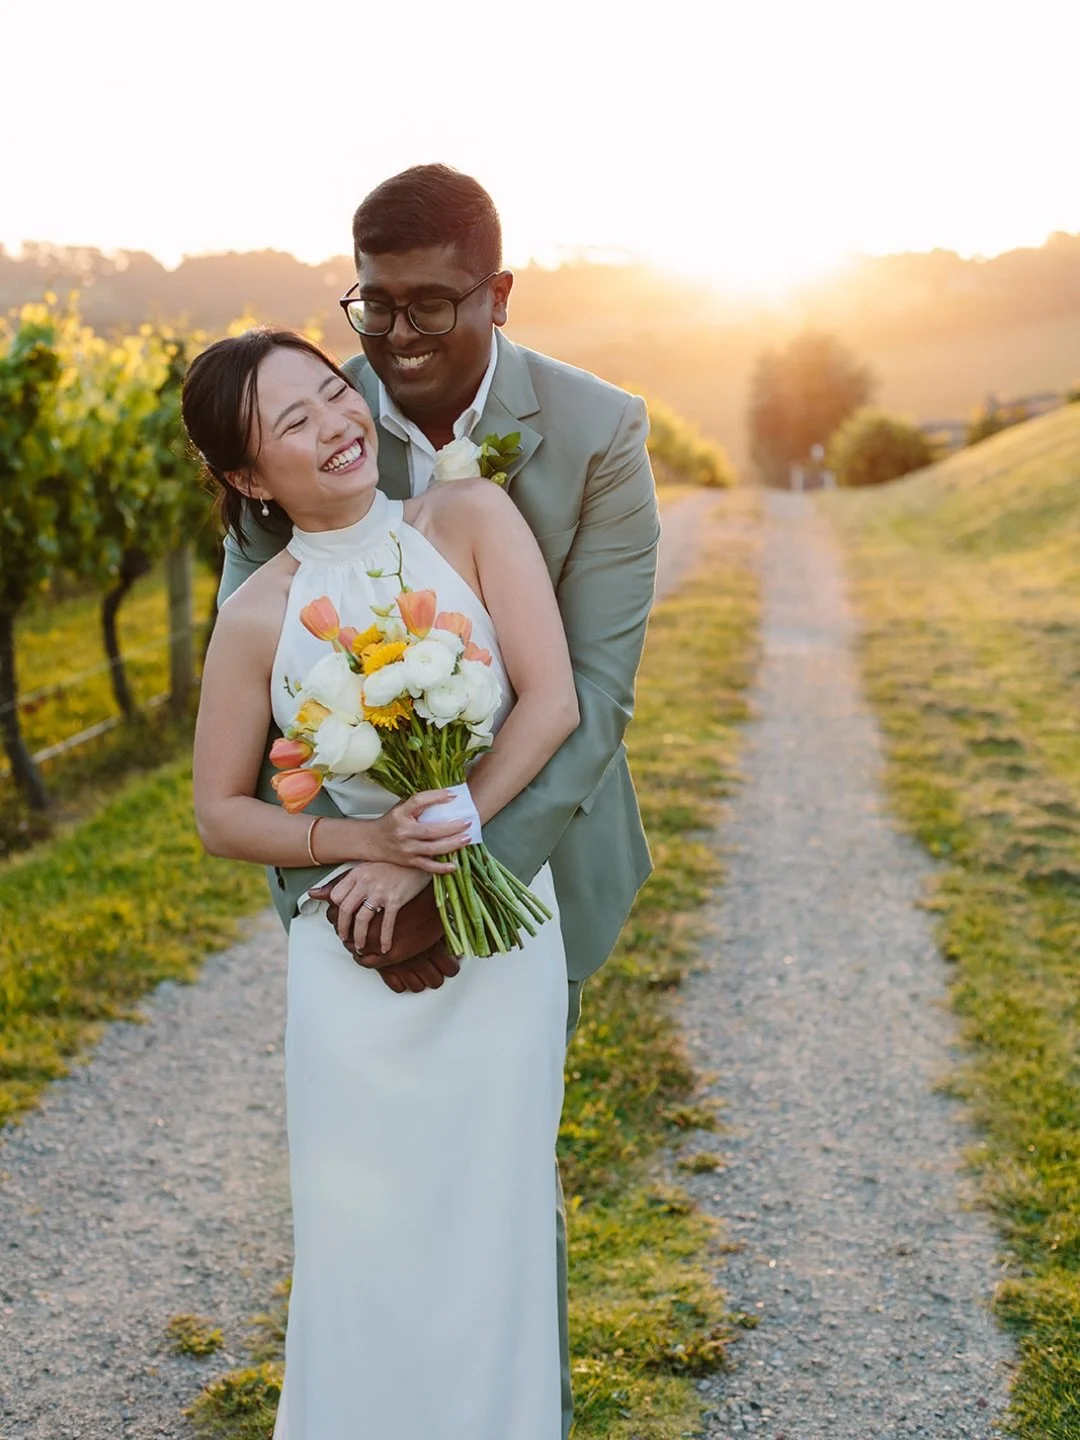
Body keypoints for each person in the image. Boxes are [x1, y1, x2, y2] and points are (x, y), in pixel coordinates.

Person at [218, 163, 660, 1438]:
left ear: (498, 294)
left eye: (431, 305)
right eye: (374, 306)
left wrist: (455, 879)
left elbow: (588, 695)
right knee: (359, 1206)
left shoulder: (597, 430)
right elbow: (264, 690)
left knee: (499, 1193)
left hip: (527, 872)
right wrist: (351, 886)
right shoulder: (300, 417)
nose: (397, 337)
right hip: (347, 902)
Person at [186, 326, 579, 1437]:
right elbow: (221, 814)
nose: (335, 425)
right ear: (249, 479)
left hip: (498, 944)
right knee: (360, 1241)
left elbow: (552, 703)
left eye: (331, 393)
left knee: (492, 1217)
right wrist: (370, 844)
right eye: (293, 422)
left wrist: (448, 828)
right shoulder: (257, 616)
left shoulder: (466, 518)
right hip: (349, 965)